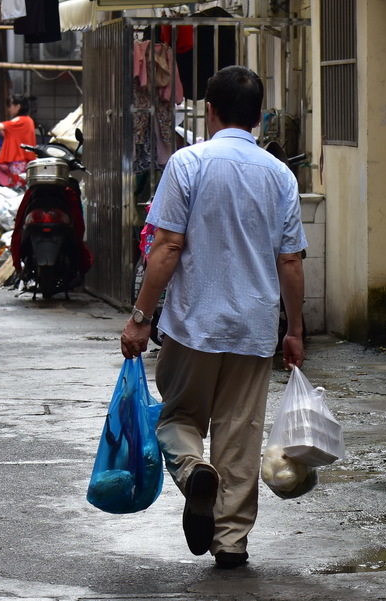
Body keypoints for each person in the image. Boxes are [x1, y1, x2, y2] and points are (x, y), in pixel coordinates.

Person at [120, 66, 307, 568]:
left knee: (178, 416)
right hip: (253, 326)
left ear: (210, 110)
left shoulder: (188, 164)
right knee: (240, 433)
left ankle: (192, 468)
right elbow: (290, 260)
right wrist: (295, 330)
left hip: (191, 323)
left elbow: (167, 246)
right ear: (260, 116)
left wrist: (140, 316)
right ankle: (231, 542)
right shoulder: (280, 175)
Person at [0, 93, 36, 188]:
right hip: (24, 160)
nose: (9, 109)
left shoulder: (20, 120)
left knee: (17, 187)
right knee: (21, 186)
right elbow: (13, 134)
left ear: (18, 106)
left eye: (10, 105)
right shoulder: (29, 120)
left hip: (18, 160)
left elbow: (1, 126)